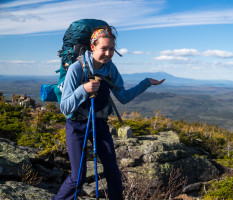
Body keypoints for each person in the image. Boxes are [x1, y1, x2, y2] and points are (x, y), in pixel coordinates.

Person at [52, 25, 165, 200]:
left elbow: (124, 97)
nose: (108, 53)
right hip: (76, 125)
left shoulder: (110, 69)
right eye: (104, 48)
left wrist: (146, 82)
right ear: (93, 47)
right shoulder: (77, 68)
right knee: (78, 177)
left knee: (113, 172)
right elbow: (65, 107)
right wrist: (83, 89)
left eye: (112, 49)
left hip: (99, 124)